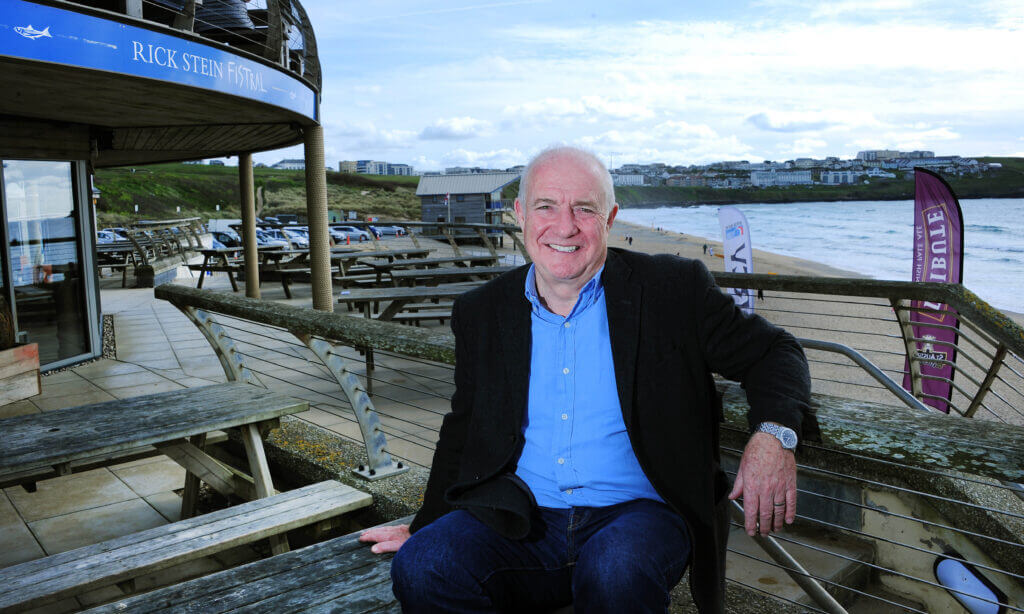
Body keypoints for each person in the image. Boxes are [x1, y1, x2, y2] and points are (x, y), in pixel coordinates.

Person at [361, 146, 811, 613]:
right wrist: (423, 525)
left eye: (584, 208)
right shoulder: (483, 311)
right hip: (519, 514)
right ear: (518, 214)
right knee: (423, 565)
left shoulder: (673, 291)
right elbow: (462, 425)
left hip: (640, 514)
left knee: (615, 570)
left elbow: (775, 351)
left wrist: (774, 435)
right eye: (545, 206)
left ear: (610, 217)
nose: (565, 226)